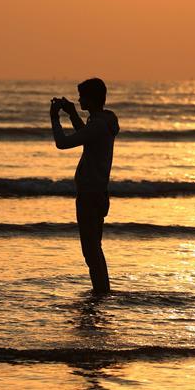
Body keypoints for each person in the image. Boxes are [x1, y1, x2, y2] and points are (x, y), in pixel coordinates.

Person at [50, 78, 120, 294]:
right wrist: (72, 114)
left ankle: (101, 292)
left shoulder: (98, 124)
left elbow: (63, 143)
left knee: (90, 250)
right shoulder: (102, 121)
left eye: (82, 96)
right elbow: (87, 139)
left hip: (90, 194)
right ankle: (102, 291)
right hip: (97, 193)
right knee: (93, 248)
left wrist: (54, 118)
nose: (79, 99)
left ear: (91, 98)